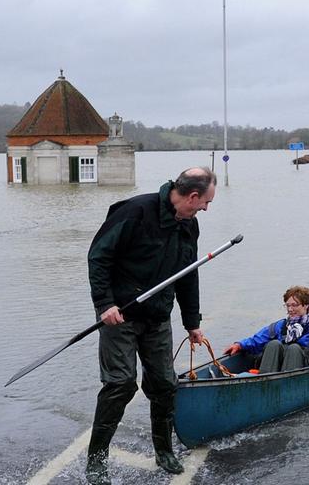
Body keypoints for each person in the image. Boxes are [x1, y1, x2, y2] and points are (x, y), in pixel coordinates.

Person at [85, 167, 216, 485]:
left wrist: (191, 323)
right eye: (205, 203)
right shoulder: (135, 212)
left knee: (164, 386)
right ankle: (96, 461)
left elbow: (188, 275)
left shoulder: (189, 226)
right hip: (121, 315)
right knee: (120, 386)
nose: (206, 209)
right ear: (192, 196)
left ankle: (164, 451)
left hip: (158, 317)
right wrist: (104, 305)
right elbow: (98, 256)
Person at [222, 286, 309, 373]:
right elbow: (257, 340)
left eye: (294, 305)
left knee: (294, 348)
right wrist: (239, 345)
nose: (290, 309)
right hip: (275, 372)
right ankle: (264, 379)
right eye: (287, 305)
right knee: (273, 344)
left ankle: (288, 384)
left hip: (302, 370)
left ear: (306, 306)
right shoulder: (280, 326)